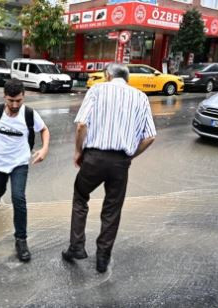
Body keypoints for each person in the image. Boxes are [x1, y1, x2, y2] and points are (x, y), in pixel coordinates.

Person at [61, 63, 156, 273]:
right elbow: (150, 137)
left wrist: (78, 152)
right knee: (112, 209)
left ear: (107, 75)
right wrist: (129, 155)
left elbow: (81, 125)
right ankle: (102, 258)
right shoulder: (140, 97)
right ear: (127, 78)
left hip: (94, 158)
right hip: (120, 162)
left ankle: (76, 246)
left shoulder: (97, 90)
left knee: (80, 197)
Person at [0, 79, 50, 262]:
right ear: (4, 96)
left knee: (18, 198)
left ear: (24, 96)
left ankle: (21, 240)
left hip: (20, 162)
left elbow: (44, 130)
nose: (14, 105)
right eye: (10, 101)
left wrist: (44, 149)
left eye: (18, 101)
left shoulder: (29, 114)